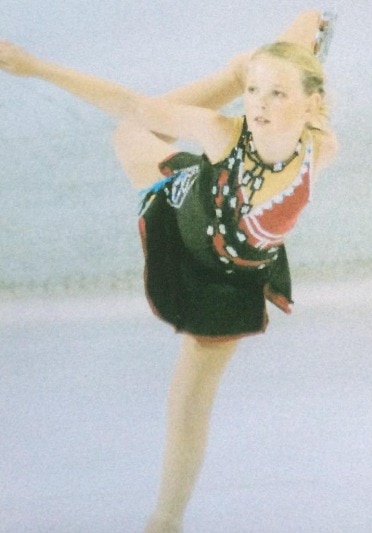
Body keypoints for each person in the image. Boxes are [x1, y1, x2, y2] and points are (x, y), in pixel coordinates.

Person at [0, 10, 337, 532]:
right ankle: (238, 68)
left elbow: (298, 58)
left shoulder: (322, 144)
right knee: (134, 128)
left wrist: (308, 27)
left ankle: (165, 523)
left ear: (312, 102)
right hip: (184, 206)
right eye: (252, 91)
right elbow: (135, 106)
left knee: (187, 406)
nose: (260, 106)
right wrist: (36, 66)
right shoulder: (224, 131)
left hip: (224, 279)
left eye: (276, 94)